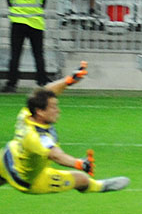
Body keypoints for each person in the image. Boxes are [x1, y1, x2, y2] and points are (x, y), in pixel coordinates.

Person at [0, 62, 130, 195]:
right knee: (82, 179)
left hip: (7, 157)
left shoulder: (27, 113)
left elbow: (48, 91)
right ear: (40, 111)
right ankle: (100, 186)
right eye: (53, 108)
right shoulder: (38, 138)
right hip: (28, 180)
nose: (58, 111)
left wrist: (69, 80)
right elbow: (57, 156)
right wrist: (79, 164)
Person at [4, 0, 50, 93]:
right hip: (35, 24)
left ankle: (11, 83)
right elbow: (42, 5)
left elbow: (10, 3)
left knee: (15, 54)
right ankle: (42, 80)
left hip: (17, 23)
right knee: (38, 54)